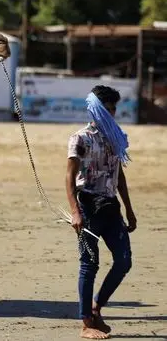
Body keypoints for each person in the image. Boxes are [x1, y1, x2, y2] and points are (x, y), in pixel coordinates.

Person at [65, 85, 137, 340]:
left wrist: (129, 208)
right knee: (90, 264)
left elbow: (119, 175)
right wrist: (75, 212)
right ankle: (86, 323)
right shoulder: (80, 138)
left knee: (124, 260)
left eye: (114, 109)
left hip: (110, 208)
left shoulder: (115, 138)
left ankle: (96, 307)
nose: (111, 114)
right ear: (95, 110)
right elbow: (69, 178)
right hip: (87, 207)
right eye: (106, 109)